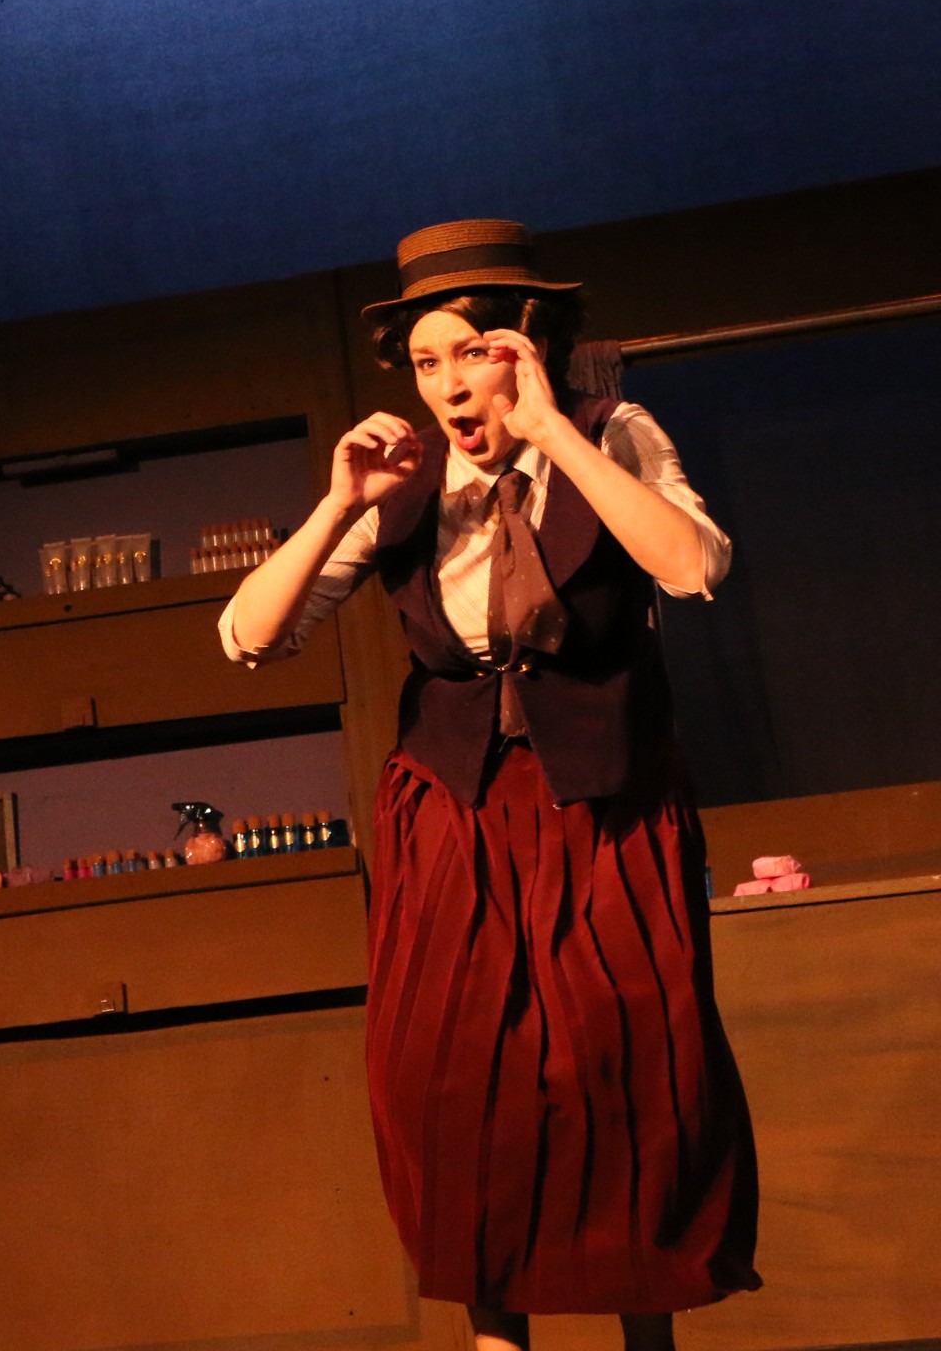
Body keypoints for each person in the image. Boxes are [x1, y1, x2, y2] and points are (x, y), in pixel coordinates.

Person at [218, 219, 759, 1351]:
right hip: (455, 811)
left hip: (604, 799)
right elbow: (251, 636)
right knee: (455, 1077)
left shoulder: (610, 432)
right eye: (427, 363)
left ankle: (648, 1334)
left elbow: (692, 567)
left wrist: (554, 431)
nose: (451, 386)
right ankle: (493, 1338)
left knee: (626, 1065)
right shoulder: (405, 479)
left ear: (530, 343)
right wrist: (339, 504)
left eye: (473, 352)